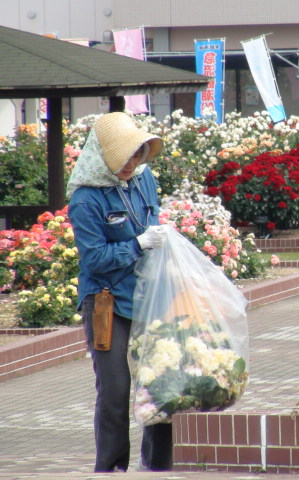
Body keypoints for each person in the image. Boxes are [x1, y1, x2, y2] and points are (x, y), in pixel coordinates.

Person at [66, 112, 172, 472]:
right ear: (104, 155)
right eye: (123, 156)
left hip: (148, 292)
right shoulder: (85, 200)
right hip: (105, 299)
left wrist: (160, 241)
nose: (131, 163)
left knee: (159, 379)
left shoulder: (145, 180)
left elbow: (153, 223)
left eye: (137, 153)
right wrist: (139, 244)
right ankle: (110, 469)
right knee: (115, 388)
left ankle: (159, 464)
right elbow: (94, 259)